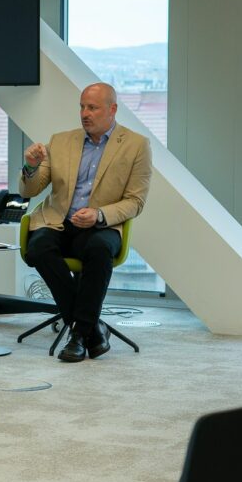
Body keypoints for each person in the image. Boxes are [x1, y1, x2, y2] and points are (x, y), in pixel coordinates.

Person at [20, 82, 152, 362]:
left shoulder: (136, 145)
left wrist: (99, 214)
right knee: (38, 249)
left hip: (101, 225)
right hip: (59, 221)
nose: (84, 113)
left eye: (92, 108)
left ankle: (79, 335)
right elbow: (30, 190)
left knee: (99, 249)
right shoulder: (60, 141)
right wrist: (31, 166)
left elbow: (135, 201)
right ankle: (92, 328)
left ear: (112, 109)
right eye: (82, 107)